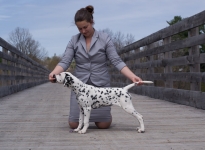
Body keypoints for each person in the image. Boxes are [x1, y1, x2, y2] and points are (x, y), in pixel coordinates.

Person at [49, 5, 142, 129]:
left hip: (100, 86)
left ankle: (104, 115)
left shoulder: (105, 38)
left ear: (91, 22)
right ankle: (84, 119)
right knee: (73, 124)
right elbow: (65, 61)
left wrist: (133, 77)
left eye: (85, 27)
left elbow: (116, 61)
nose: (83, 31)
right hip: (80, 87)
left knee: (103, 125)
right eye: (79, 28)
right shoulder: (73, 40)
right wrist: (53, 74)